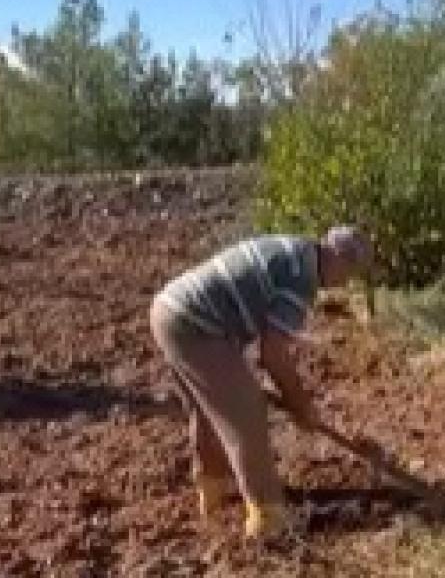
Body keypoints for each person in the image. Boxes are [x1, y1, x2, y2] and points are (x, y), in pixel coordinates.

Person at [148, 225, 374, 539]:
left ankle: (214, 490)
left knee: (211, 410)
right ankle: (268, 518)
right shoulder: (301, 279)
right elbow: (273, 354)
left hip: (171, 311)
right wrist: (301, 404)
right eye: (349, 273)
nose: (345, 283)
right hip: (194, 323)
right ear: (338, 257)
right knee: (246, 413)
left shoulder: (295, 250)